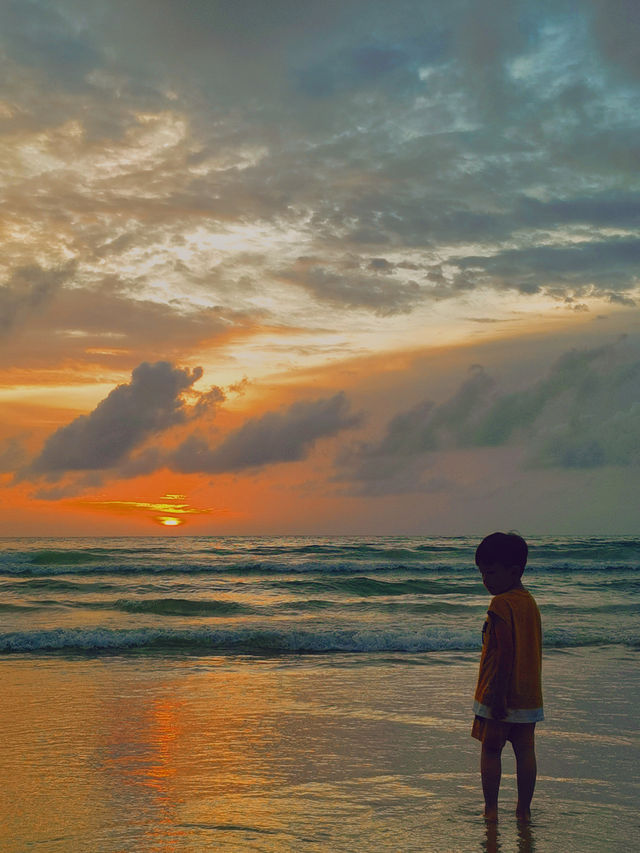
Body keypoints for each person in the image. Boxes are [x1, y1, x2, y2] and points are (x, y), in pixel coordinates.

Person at [471, 532, 543, 823]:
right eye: (481, 573)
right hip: (528, 694)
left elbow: (504, 653)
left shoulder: (500, 605)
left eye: (490, 572)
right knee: (525, 751)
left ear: (514, 571)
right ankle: (523, 810)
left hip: (499, 693)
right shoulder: (529, 602)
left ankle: (491, 809)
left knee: (491, 750)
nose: (485, 580)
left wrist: (497, 696)